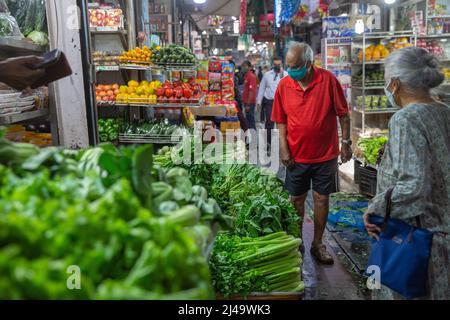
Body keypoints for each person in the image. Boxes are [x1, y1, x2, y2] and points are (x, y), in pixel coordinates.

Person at [363, 47, 449, 300]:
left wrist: (375, 208)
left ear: (395, 83)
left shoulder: (406, 119)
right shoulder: (444, 110)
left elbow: (413, 186)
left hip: (420, 241)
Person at [272, 42, 352, 264]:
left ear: (309, 63)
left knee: (321, 199)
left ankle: (318, 244)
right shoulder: (284, 85)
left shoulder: (328, 81)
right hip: (296, 156)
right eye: (288, 66)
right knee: (296, 200)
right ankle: (297, 243)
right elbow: (281, 122)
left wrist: (346, 143)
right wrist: (284, 148)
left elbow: (343, 115)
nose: (291, 70)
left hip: (325, 155)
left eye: (295, 65)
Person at [256, 56, 288, 146]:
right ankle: (268, 143)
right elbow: (262, 88)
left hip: (281, 103)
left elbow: (289, 89)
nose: (277, 66)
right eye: (275, 65)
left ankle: (283, 144)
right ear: (272, 65)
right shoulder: (267, 75)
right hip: (269, 101)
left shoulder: (286, 75)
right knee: (269, 122)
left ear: (282, 64)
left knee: (282, 123)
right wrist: (259, 102)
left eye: (279, 64)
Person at [241, 60, 257, 130]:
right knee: (248, 120)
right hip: (246, 102)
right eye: (242, 66)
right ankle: (250, 137)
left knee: (250, 120)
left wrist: (248, 104)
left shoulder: (251, 76)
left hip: (249, 103)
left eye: (245, 66)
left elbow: (251, 91)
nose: (243, 67)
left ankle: (253, 137)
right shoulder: (246, 76)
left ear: (250, 67)